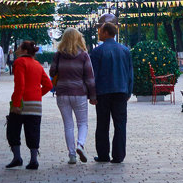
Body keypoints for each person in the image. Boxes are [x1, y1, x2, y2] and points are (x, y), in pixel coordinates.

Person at [49, 27, 96, 165]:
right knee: (82, 123)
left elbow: (52, 73)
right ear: (78, 38)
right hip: (79, 93)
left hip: (62, 93)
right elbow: (90, 78)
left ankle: (72, 155)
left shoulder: (58, 55)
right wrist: (93, 96)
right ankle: (80, 145)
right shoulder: (83, 56)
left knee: (68, 125)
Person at [89, 21, 133, 163]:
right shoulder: (125, 50)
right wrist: (128, 91)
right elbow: (130, 73)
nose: (99, 33)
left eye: (100, 31)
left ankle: (103, 154)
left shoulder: (97, 52)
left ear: (106, 33)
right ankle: (119, 155)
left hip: (103, 92)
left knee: (102, 124)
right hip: (121, 91)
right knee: (120, 124)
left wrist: (92, 94)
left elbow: (93, 76)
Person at [5, 40, 52, 170]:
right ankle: (33, 160)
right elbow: (49, 85)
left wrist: (16, 104)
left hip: (21, 103)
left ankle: (17, 158)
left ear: (25, 51)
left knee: (13, 130)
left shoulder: (19, 62)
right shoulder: (37, 64)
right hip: (36, 104)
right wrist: (37, 94)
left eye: (19, 48)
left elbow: (20, 84)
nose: (17, 50)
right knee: (33, 131)